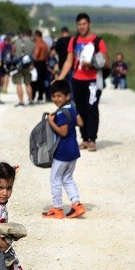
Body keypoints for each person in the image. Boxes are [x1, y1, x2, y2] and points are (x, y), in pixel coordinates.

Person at [56, 13, 109, 152]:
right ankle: (84, 138)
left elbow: (104, 60)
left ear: (89, 24)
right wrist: (60, 77)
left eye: (84, 24)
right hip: (77, 80)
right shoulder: (73, 41)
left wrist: (91, 63)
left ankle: (92, 139)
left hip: (93, 81)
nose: (82, 27)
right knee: (80, 110)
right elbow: (69, 61)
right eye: (79, 24)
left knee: (92, 108)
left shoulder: (97, 41)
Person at [42, 80, 86, 219]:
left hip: (62, 153)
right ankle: (76, 205)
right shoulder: (72, 107)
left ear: (67, 96)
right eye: (54, 96)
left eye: (59, 96)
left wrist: (50, 121)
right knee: (67, 178)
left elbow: (63, 132)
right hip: (73, 151)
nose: (56, 99)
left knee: (55, 179)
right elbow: (80, 122)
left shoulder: (60, 114)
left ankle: (57, 208)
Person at [12, 28, 35, 107]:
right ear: (30, 34)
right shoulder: (32, 43)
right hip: (27, 65)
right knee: (28, 83)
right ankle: (30, 100)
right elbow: (34, 55)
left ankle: (21, 101)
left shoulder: (17, 42)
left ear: (23, 33)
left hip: (18, 65)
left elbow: (13, 51)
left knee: (19, 83)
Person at [33, 30, 49, 103]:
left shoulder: (38, 44)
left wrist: (33, 61)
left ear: (37, 36)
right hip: (44, 63)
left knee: (35, 81)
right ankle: (40, 97)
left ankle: (33, 97)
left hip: (38, 63)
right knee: (42, 81)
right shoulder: (45, 44)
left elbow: (36, 54)